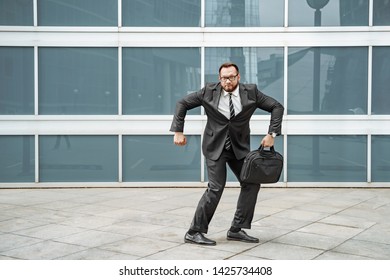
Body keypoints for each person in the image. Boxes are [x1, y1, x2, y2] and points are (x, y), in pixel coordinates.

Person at [170, 62, 284, 246]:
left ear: (238, 77)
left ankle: (236, 229)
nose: (227, 81)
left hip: (238, 148)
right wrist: (178, 131)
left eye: (231, 77)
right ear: (219, 78)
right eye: (224, 77)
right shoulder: (208, 91)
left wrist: (272, 134)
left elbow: (277, 107)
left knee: (251, 184)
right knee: (216, 187)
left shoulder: (251, 92)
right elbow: (182, 103)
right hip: (215, 146)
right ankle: (194, 231)